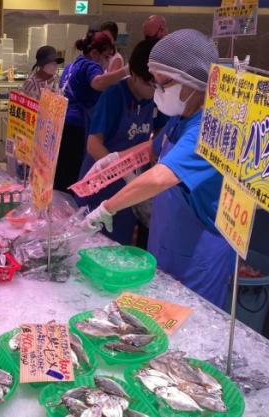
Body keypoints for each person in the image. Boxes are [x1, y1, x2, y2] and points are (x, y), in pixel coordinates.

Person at [83, 29, 236, 308]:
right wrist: (113, 161)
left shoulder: (208, 127)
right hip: (167, 239)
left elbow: (160, 177)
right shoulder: (182, 116)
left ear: (192, 82)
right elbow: (151, 149)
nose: (157, 91)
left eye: (163, 83)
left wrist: (106, 207)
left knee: (190, 323)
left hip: (198, 252)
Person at [77, 38, 168, 245]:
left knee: (120, 246)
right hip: (101, 182)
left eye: (159, 85)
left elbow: (162, 132)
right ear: (133, 74)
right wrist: (121, 169)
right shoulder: (114, 95)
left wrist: (154, 157)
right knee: (92, 242)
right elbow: (93, 145)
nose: (154, 90)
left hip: (131, 185)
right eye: (149, 84)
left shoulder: (157, 100)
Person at [55, 30, 129, 191]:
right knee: (72, 174)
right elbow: (98, 83)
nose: (107, 62)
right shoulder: (90, 65)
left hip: (62, 123)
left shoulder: (71, 66)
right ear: (95, 53)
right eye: (106, 57)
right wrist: (125, 71)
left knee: (61, 173)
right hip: (77, 126)